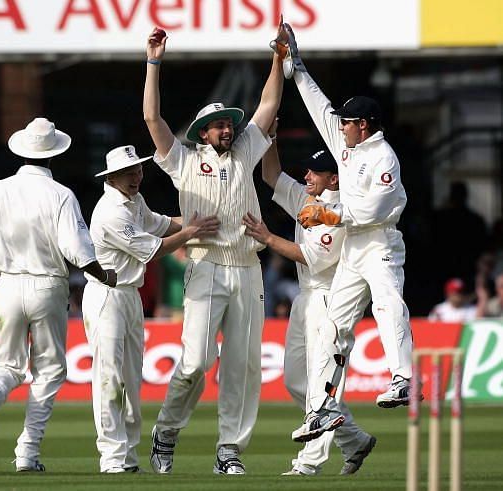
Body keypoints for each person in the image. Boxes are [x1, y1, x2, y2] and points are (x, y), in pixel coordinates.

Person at [143, 25, 284, 474]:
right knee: (198, 359)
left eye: (228, 123)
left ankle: (229, 451)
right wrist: (153, 62)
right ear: (203, 132)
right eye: (218, 125)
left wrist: (279, 59)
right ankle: (166, 432)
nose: (227, 129)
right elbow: (152, 120)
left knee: (243, 365)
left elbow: (269, 104)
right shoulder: (184, 160)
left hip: (247, 267)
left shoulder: (245, 151)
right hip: (205, 264)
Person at [276, 24, 414, 442]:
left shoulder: (384, 158)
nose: (342, 127)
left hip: (381, 243)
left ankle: (403, 377)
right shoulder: (347, 145)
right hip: (354, 249)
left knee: (387, 304)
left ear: (366, 126)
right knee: (334, 326)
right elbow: (321, 108)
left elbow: (374, 210)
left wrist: (328, 216)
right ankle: (322, 407)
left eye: (349, 122)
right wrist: (295, 65)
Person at [0, 117, 117, 472]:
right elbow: (78, 251)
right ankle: (26, 454)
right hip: (48, 286)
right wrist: (104, 275)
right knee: (48, 371)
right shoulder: (61, 194)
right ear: (53, 155)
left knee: (6, 365)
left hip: (9, 285)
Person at [242, 120, 375, 476]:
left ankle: (308, 463)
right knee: (295, 381)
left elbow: (311, 257)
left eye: (316, 172)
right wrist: (270, 137)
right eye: (309, 171)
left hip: (332, 300)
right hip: (305, 298)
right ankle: (355, 440)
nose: (308, 176)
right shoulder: (306, 197)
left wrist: (268, 239)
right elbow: (271, 175)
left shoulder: (337, 213)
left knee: (320, 387)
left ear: (334, 178)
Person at [82, 145, 219, 474]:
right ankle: (112, 458)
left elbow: (161, 224)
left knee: (130, 378)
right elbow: (152, 249)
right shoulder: (110, 212)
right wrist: (190, 233)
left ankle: (128, 457)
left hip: (129, 296)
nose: (136, 177)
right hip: (105, 296)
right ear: (112, 177)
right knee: (109, 377)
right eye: (129, 173)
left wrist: (201, 221)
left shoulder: (135, 202)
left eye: (139, 170)